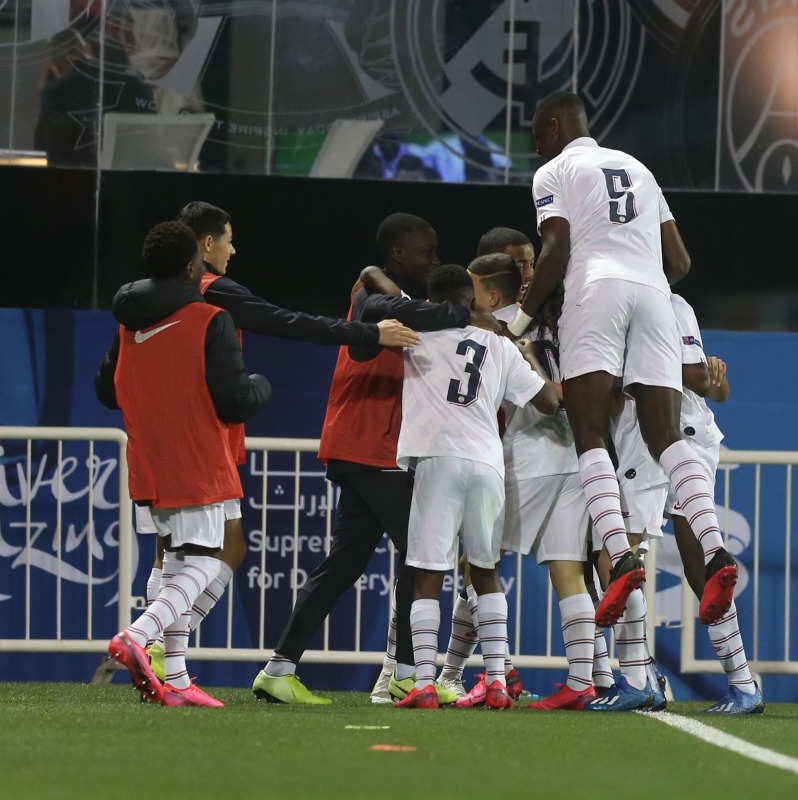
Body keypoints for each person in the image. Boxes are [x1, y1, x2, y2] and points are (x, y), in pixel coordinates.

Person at [136, 201, 422, 679]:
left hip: (158, 438)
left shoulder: (144, 301)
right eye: (228, 239)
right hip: (199, 439)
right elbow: (286, 321)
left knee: (186, 552)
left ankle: (172, 657)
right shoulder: (212, 292)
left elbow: (112, 378)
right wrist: (367, 331)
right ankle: (148, 642)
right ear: (207, 245)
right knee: (205, 555)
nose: (234, 248)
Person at [506, 90, 738, 630]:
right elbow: (678, 261)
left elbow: (556, 247)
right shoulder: (639, 167)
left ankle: (622, 552)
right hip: (656, 292)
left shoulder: (555, 172)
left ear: (557, 126)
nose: (538, 148)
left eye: (538, 137)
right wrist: (641, 292)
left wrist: (523, 320)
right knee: (666, 434)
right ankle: (717, 548)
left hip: (596, 287)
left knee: (589, 431)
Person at [252, 213, 501, 705]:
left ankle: (278, 669)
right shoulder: (371, 292)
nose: (435, 260)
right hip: (371, 447)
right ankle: (409, 674)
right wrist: (460, 313)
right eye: (426, 252)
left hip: (369, 449)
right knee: (422, 552)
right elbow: (377, 303)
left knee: (344, 564)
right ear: (398, 255)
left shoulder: (412, 304)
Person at [96, 221, 271, 706]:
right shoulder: (208, 318)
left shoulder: (128, 322)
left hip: (146, 458)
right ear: (193, 264)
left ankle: (174, 680)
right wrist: (261, 385)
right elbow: (235, 401)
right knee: (202, 560)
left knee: (173, 560)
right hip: (194, 456)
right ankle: (138, 635)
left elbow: (106, 391)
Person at [388, 264, 557, 709]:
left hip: (438, 457)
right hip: (486, 463)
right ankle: (498, 681)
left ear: (432, 301)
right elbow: (550, 401)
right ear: (472, 300)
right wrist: (523, 353)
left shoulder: (416, 333)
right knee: (484, 572)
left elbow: (379, 297)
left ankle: (425, 683)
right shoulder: (500, 346)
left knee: (428, 573)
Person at [600, 293, 764, 713]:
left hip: (651, 433)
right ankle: (743, 684)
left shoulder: (615, 296)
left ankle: (639, 677)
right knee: (698, 563)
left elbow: (697, 377)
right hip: (695, 433)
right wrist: (708, 374)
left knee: (617, 555)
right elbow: (709, 383)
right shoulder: (676, 301)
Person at [476, 226, 536, 298]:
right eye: (520, 266)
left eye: (531, 264)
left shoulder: (522, 308)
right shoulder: (462, 308)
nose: (529, 275)